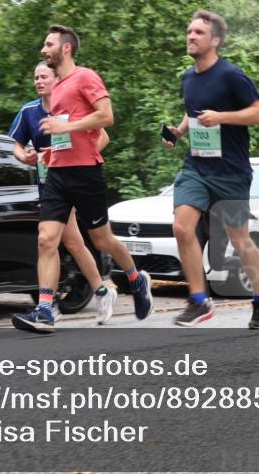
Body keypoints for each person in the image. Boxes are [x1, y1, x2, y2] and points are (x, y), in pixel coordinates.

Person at [11, 25, 153, 333]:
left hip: (86, 173)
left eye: (48, 44)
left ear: (65, 48)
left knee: (101, 239)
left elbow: (106, 117)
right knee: (46, 238)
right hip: (57, 176)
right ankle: (46, 310)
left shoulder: (85, 77)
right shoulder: (58, 86)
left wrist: (67, 128)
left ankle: (135, 278)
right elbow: (60, 132)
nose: (42, 49)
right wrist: (48, 151)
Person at [163, 10, 259, 328]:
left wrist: (221, 117)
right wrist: (179, 131)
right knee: (182, 228)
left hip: (231, 170)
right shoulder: (187, 77)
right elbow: (192, 113)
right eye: (189, 31)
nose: (191, 36)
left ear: (215, 40)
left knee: (240, 240)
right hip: (197, 166)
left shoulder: (231, 75)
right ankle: (199, 300)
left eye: (198, 32)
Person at [9, 61, 117, 324]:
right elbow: (17, 144)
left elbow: (102, 137)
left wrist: (78, 159)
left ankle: (49, 306)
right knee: (72, 243)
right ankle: (102, 292)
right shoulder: (29, 111)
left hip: (72, 182)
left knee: (50, 240)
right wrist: (25, 157)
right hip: (49, 187)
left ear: (58, 79)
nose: (38, 81)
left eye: (44, 76)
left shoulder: (71, 107)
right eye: (36, 77)